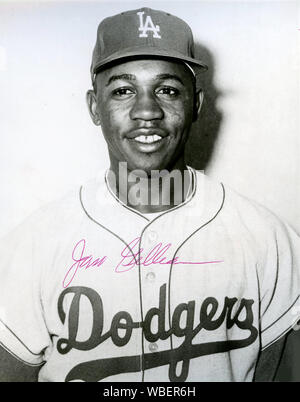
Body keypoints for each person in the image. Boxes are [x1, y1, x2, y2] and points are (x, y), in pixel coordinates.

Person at [0, 7, 299, 382]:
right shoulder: (32, 247)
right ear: (95, 107)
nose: (146, 110)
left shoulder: (269, 241)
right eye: (123, 90)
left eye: (168, 90)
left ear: (197, 105)